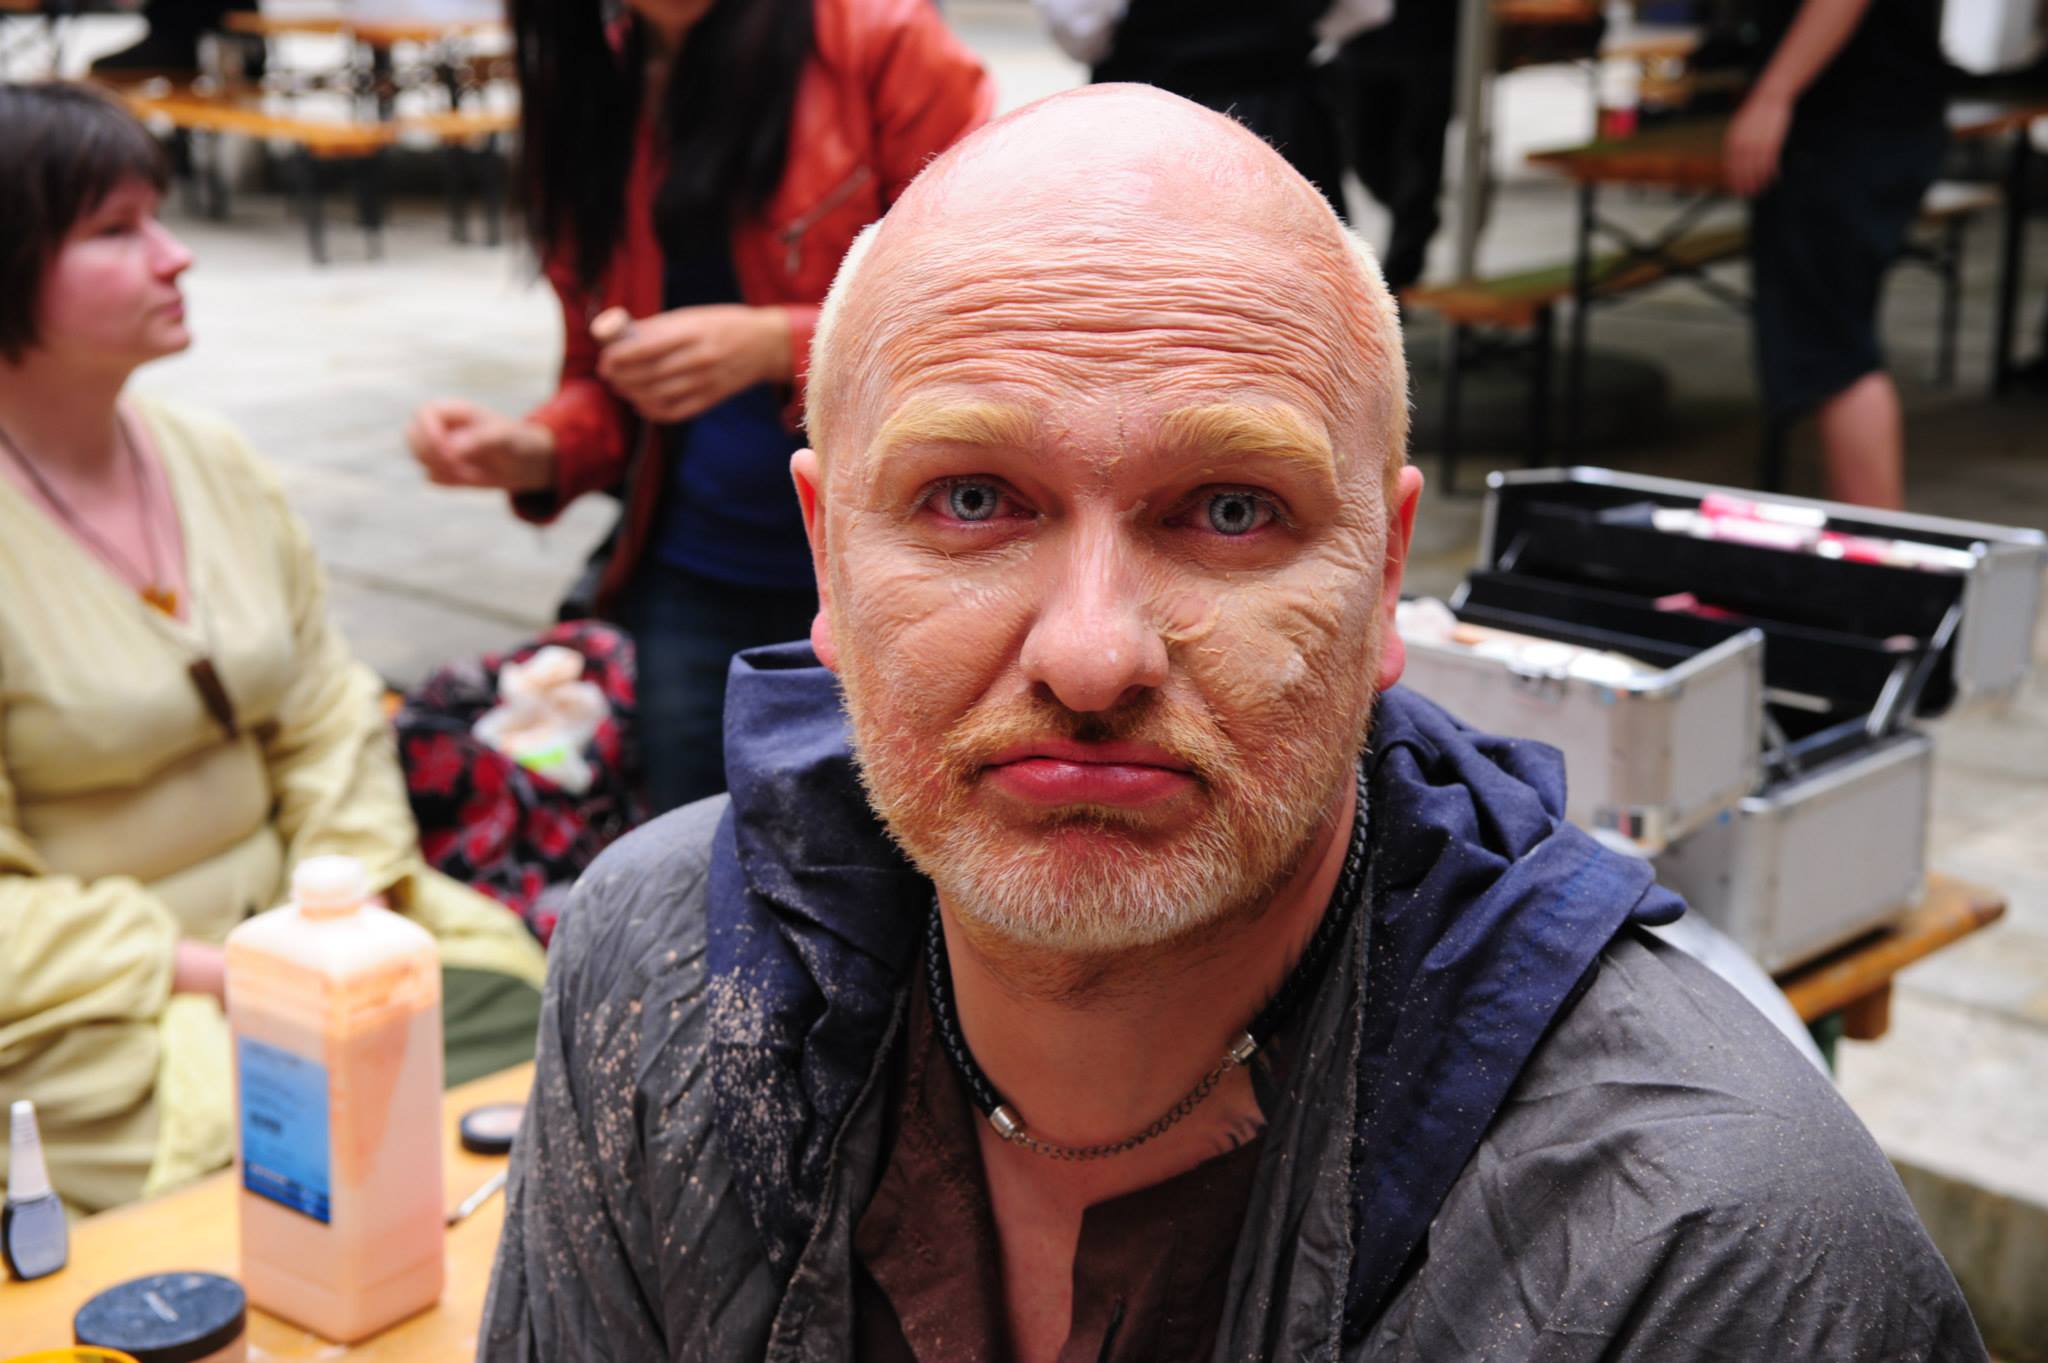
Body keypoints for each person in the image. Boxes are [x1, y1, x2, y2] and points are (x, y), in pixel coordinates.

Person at [480, 86, 1985, 1361]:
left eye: (1228, 510)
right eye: (972, 498)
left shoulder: (1707, 1251)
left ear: (1384, 578)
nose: (1090, 655)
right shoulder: (653, 979)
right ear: (824, 558)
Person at [0, 82, 547, 1215]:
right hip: (101, 1007)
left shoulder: (211, 459)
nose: (175, 256)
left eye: (158, 217)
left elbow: (328, 709)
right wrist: (231, 973)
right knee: (286, 1165)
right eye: (116, 230)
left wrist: (347, 908)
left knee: (535, 1037)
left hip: (311, 929)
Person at [405, 0, 992, 815]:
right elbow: (604, 374)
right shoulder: (598, 81)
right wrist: (536, 447)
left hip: (904, 567)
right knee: (699, 849)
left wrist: (779, 342)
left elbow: (990, 303)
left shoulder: (878, 41)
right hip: (694, 571)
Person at [1725, 0, 1948, 508]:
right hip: (1881, 117)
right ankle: (1867, 536)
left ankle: (1871, 542)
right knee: (1833, 350)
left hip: (1845, 125)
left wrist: (1773, 94)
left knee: (1834, 357)